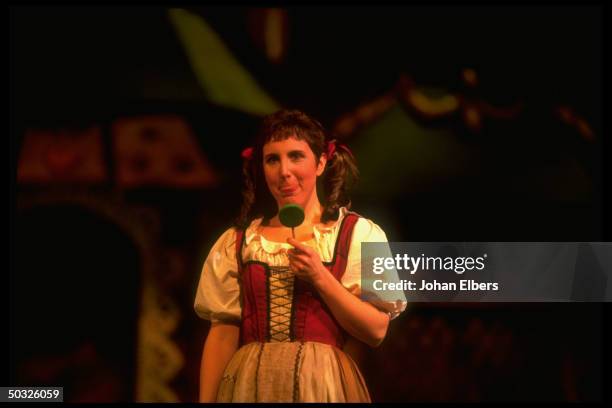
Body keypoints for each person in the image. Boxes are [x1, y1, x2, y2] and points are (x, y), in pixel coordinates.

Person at [194, 109, 406, 402]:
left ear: (320, 163)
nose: (284, 171)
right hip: (251, 386)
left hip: (320, 385)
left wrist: (320, 277)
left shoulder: (358, 234)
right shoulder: (238, 242)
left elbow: (376, 330)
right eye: (272, 159)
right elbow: (221, 335)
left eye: (296, 156)